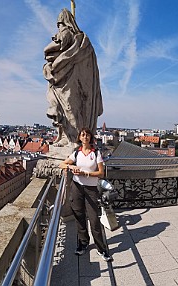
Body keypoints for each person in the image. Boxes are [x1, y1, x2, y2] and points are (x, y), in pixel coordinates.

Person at [44, 8, 103, 154]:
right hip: (64, 80)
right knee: (64, 109)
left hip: (70, 81)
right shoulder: (82, 41)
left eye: (60, 24)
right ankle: (66, 136)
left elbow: (54, 49)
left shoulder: (72, 36)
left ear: (65, 22)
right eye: (58, 25)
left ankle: (74, 139)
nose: (59, 27)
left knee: (71, 109)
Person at [59, 128, 111, 262]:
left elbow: (101, 173)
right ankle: (83, 243)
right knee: (79, 216)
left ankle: (101, 248)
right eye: (83, 135)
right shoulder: (77, 153)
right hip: (77, 187)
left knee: (94, 219)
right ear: (80, 138)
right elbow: (62, 164)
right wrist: (72, 167)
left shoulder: (96, 153)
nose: (85, 137)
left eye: (87, 135)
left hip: (91, 188)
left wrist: (86, 174)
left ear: (90, 137)